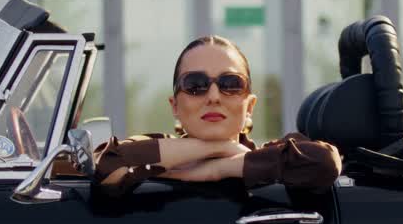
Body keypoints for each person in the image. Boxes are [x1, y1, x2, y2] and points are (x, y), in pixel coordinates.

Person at [94, 35, 342, 195]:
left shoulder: (281, 154)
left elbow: (325, 163)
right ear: (175, 106)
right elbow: (105, 168)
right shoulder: (153, 148)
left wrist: (220, 169)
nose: (213, 96)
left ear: (250, 106)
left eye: (231, 83)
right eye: (195, 84)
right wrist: (214, 148)